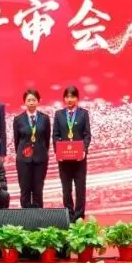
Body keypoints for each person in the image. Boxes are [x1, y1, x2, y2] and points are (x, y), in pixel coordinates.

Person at [52, 85, 92, 222]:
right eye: (67, 97)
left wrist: (84, 150)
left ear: (77, 98)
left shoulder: (83, 113)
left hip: (80, 159)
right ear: (64, 98)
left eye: (72, 96)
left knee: (80, 188)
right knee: (66, 189)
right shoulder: (59, 114)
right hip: (64, 160)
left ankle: (79, 216)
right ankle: (69, 216)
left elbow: (87, 135)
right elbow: (55, 135)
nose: (69, 99)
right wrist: (58, 152)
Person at [12, 89, 51, 209]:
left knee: (38, 189)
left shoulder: (45, 118)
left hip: (40, 159)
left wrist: (42, 151)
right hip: (23, 159)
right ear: (24, 102)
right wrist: (22, 154)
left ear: (38, 101)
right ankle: (26, 215)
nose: (31, 102)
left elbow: (47, 139)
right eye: (28, 100)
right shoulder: (18, 119)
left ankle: (38, 216)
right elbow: (17, 141)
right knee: (25, 189)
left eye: (34, 100)